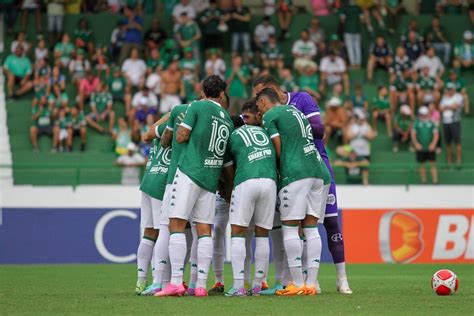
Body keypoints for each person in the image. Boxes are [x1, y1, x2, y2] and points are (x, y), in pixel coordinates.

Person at [253, 75, 353, 295]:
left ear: (269, 93)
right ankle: (311, 283)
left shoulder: (294, 103)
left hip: (299, 169)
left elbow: (320, 130)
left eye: (258, 97)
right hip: (317, 170)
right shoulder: (294, 112)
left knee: (300, 226)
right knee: (310, 227)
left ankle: (304, 283)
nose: (256, 104)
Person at [155, 76, 233, 297]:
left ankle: (177, 282)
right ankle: (200, 285)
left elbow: (181, 136)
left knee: (176, 223)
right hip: (210, 178)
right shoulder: (226, 118)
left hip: (190, 171)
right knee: (204, 229)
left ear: (202, 91)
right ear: (221, 94)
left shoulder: (196, 106)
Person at [224, 100, 277, 296]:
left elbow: (228, 170)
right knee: (262, 234)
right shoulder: (263, 131)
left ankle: (239, 286)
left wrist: (230, 190)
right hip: (270, 182)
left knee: (238, 233)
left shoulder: (232, 135)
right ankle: (257, 285)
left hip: (246, 180)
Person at [135, 117, 171, 295]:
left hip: (148, 180)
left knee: (149, 233)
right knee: (162, 232)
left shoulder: (158, 128)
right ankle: (159, 282)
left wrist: (166, 115)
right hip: (161, 184)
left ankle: (141, 281)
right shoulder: (177, 126)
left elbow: (146, 134)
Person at [411, 106, 439, 184]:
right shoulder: (416, 123)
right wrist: (416, 144)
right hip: (421, 147)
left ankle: (435, 181)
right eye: (421, 114)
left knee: (433, 164)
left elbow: (436, 134)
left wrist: (433, 144)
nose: (422, 116)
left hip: (430, 147)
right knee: (422, 164)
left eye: (424, 114)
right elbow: (413, 134)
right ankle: (423, 180)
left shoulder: (432, 122)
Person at [439, 83, 463, 168]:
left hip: (455, 122)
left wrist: (446, 106)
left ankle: (458, 161)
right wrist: (449, 106)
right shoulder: (444, 97)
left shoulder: (458, 96)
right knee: (448, 143)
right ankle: (448, 162)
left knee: (457, 142)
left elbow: (455, 107)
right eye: (448, 89)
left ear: (454, 89)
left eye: (451, 89)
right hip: (446, 122)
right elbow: (441, 109)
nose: (449, 90)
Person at [339, 1, 363, 67]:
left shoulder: (345, 8)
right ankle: (358, 64)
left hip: (348, 30)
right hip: (357, 30)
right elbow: (362, 19)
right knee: (357, 47)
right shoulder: (358, 8)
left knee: (350, 48)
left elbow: (342, 19)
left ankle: (353, 64)